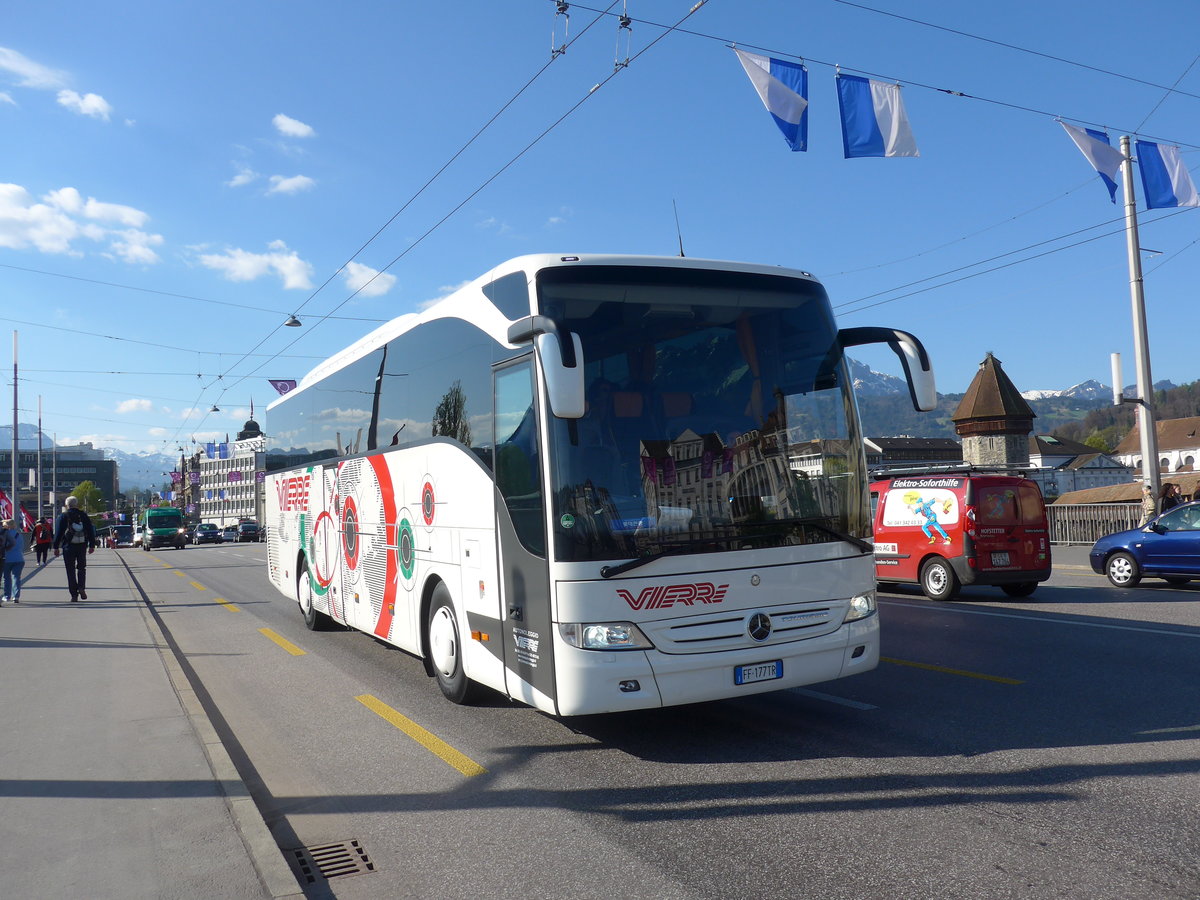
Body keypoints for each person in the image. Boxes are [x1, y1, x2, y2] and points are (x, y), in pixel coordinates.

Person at [53, 496, 95, 602]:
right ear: (76, 504)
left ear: (67, 505)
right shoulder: (83, 515)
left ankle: (74, 595)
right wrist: (92, 545)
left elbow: (58, 533)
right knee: (81, 568)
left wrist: (56, 547)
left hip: (68, 546)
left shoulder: (63, 516)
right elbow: (90, 530)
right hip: (82, 545)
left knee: (70, 570)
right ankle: (81, 587)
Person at [1, 518, 25, 604]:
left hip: (7, 559)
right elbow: (22, 546)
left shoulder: (4, 534)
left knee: (6, 578)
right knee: (16, 578)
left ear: (6, 526)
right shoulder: (19, 534)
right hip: (19, 558)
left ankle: (7, 596)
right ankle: (16, 596)